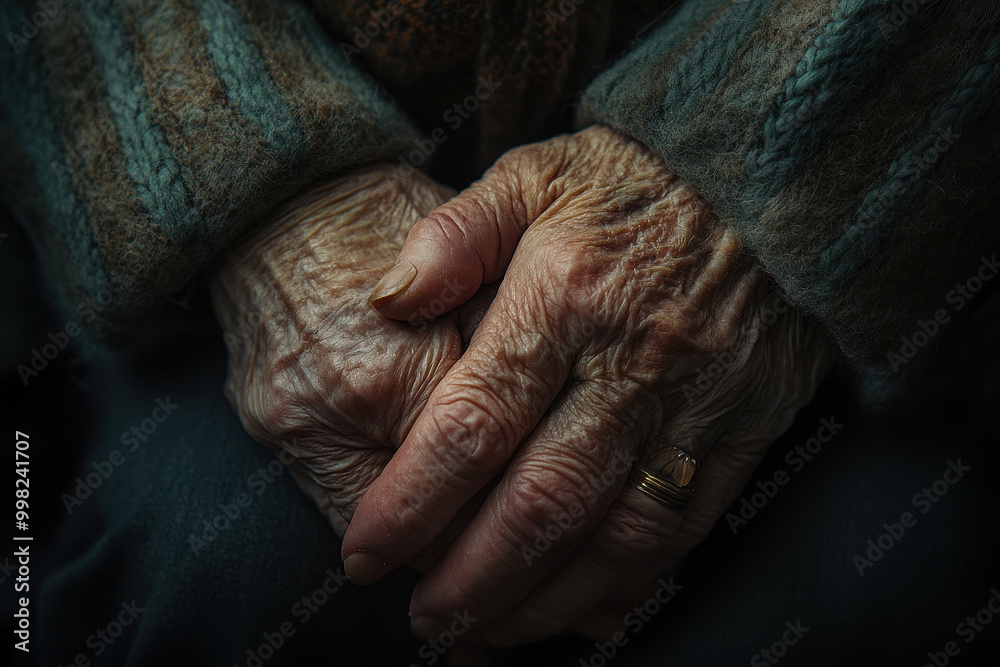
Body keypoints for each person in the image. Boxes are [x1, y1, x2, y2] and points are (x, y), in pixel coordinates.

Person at [2, 1, 998, 665]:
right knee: (212, 545)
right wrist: (226, 152)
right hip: (186, 254)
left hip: (859, 257)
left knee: (881, 565)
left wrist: (790, 151)